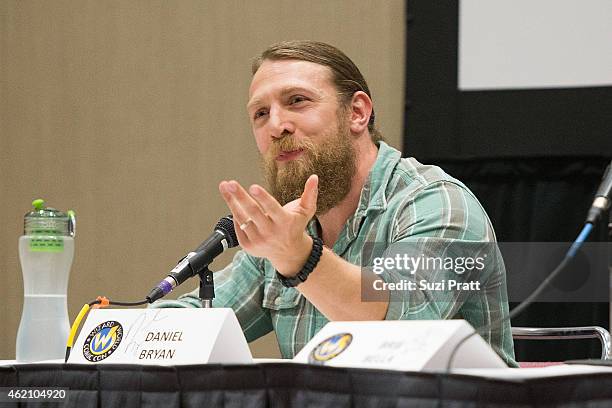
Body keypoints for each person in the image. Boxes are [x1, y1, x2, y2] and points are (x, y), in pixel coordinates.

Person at [152, 40, 516, 366]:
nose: (276, 125)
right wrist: (131, 330)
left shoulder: (436, 204)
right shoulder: (291, 228)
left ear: (357, 112)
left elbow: (401, 325)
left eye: (297, 101)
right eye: (260, 114)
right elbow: (204, 318)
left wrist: (300, 258)